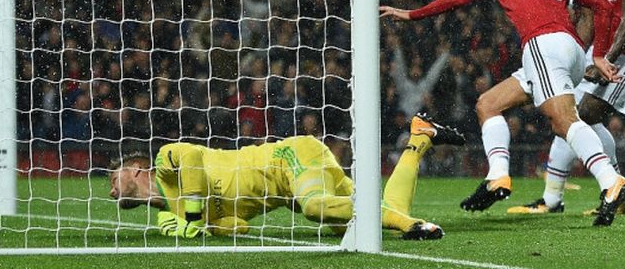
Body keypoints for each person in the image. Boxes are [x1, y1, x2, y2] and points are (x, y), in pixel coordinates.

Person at [380, 0, 625, 226]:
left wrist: (413, 13)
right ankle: (498, 176)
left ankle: (612, 182)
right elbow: (601, 4)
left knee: (564, 120)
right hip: (571, 48)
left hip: (542, 45)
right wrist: (598, 54)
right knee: (489, 103)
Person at [109, 113, 465, 241]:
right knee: (373, 217)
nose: (111, 191)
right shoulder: (169, 214)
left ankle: (412, 225)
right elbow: (239, 226)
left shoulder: (164, 161)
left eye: (113, 179)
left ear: (136, 169)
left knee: (316, 207)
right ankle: (420, 137)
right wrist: (203, 226)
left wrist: (190, 215)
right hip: (289, 191)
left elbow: (189, 157)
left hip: (289, 158)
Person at [507, 0, 625, 215]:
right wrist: (579, 53)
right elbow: (590, 15)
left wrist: (606, 59)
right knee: (570, 113)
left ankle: (612, 191)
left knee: (584, 113)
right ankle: (599, 194)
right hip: (601, 52)